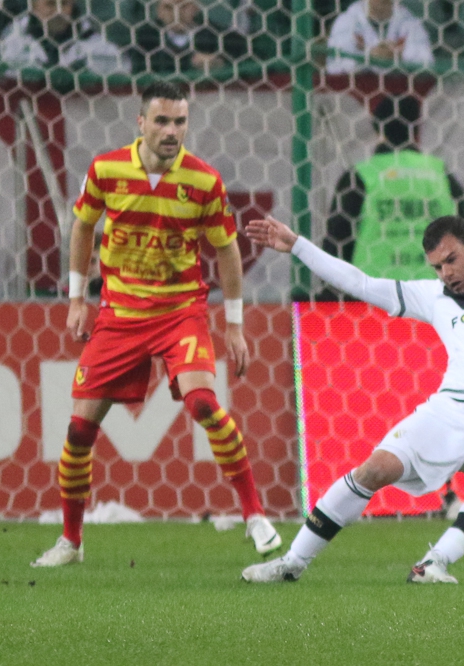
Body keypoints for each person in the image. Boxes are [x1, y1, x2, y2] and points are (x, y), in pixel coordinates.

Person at [240, 214, 464, 583]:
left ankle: (433, 564)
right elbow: (360, 283)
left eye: (451, 260)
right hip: (450, 411)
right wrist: (297, 246)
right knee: (373, 469)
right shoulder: (434, 297)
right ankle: (291, 563)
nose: (446, 273)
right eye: (437, 267)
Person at [31, 81, 280, 567]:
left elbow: (227, 249)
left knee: (204, 402)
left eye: (180, 121)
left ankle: (255, 515)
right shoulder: (106, 169)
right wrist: (77, 299)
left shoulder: (203, 180)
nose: (171, 131)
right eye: (162, 121)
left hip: (179, 312)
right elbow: (83, 226)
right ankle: (71, 541)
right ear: (140, 122)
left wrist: (233, 325)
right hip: (119, 316)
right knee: (79, 430)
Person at [325, 93, 464, 281]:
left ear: (378, 129)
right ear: (417, 128)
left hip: (373, 292)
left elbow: (336, 242)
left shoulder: (362, 175)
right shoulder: (441, 174)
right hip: (435, 290)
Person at [0, 0, 128, 76]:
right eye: (51, 4)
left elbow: (122, 75)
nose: (59, 11)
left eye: (64, 3)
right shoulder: (11, 42)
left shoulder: (99, 44)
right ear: (33, 6)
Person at [131, 0, 248, 75]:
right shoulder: (145, 41)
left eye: (183, 6)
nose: (176, 13)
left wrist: (219, 63)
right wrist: (190, 62)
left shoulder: (222, 37)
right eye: (168, 8)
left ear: (195, 7)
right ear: (158, 12)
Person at [325, 0, 432, 75]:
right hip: (357, 93)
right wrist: (368, 58)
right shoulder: (346, 21)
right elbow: (334, 66)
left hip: (401, 91)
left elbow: (427, 62)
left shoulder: (410, 22)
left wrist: (399, 57)